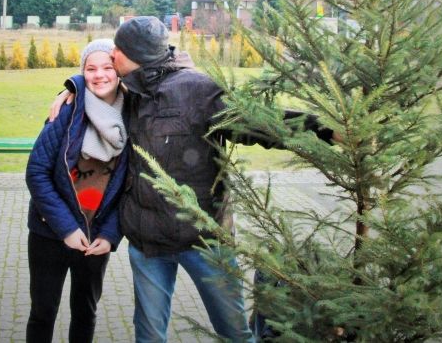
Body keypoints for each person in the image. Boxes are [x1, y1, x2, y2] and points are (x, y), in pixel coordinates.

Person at [50, 17, 334, 343]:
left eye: (118, 49)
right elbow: (95, 83)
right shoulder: (130, 91)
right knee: (149, 337)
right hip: (147, 244)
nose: (113, 54)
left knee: (234, 333)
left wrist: (325, 129)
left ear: (137, 55)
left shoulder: (198, 90)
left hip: (205, 241)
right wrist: (71, 88)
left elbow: (258, 121)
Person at [26, 38, 129, 343]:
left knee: (85, 313)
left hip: (95, 239)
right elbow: (37, 172)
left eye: (107, 67)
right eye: (90, 68)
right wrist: (66, 228)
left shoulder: (133, 117)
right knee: (43, 313)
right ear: (83, 72)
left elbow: (130, 187)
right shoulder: (67, 110)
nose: (100, 75)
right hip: (50, 233)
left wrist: (110, 234)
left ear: (119, 71)